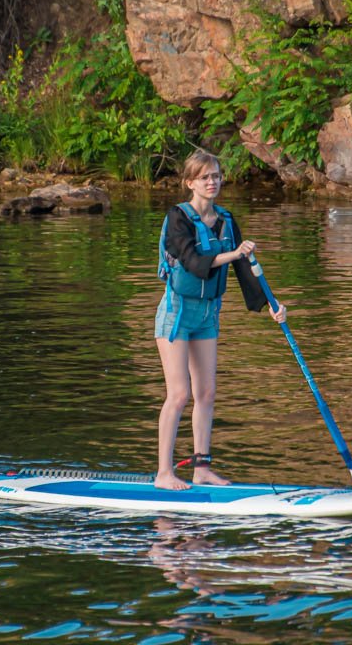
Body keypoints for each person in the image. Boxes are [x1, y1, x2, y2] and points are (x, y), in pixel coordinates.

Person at [154, 150, 287, 490]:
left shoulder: (226, 220)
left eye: (216, 176)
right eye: (204, 178)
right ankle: (164, 474)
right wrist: (233, 253)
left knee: (207, 393)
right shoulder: (177, 218)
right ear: (190, 183)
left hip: (208, 314)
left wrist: (271, 305)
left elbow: (245, 270)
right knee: (179, 394)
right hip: (177, 313)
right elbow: (193, 261)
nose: (212, 182)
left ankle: (201, 469)